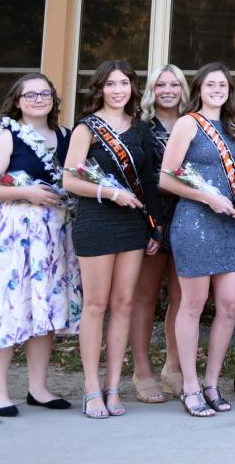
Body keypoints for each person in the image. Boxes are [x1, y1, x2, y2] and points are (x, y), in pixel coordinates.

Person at [0, 73, 80, 417]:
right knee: (6, 305)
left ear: (53, 100)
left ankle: (38, 388)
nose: (38, 99)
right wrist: (25, 192)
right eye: (30, 95)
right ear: (18, 100)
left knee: (45, 307)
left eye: (45, 94)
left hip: (55, 233)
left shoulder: (65, 136)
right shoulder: (7, 135)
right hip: (14, 232)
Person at [62, 60, 161, 418]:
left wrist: (155, 226)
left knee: (123, 305)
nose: (118, 90)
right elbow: (70, 180)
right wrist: (108, 192)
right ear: (99, 89)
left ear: (133, 88)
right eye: (110, 84)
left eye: (124, 84)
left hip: (133, 226)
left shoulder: (140, 130)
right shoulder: (86, 128)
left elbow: (149, 182)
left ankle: (114, 386)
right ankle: (91, 388)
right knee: (96, 305)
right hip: (97, 222)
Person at [158, 62, 235, 417]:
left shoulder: (232, 129)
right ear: (199, 88)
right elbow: (166, 179)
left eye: (223, 84)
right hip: (194, 221)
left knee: (228, 305)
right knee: (192, 306)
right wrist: (206, 197)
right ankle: (190, 386)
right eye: (210, 83)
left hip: (227, 225)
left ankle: (212, 382)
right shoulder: (187, 123)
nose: (217, 88)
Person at [131, 64, 187, 402]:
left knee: (182, 299)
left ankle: (173, 368)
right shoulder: (140, 128)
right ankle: (141, 370)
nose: (168, 89)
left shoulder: (193, 123)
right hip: (150, 219)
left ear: (183, 89)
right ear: (153, 90)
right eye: (161, 84)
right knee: (145, 297)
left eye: (174, 84)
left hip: (188, 217)